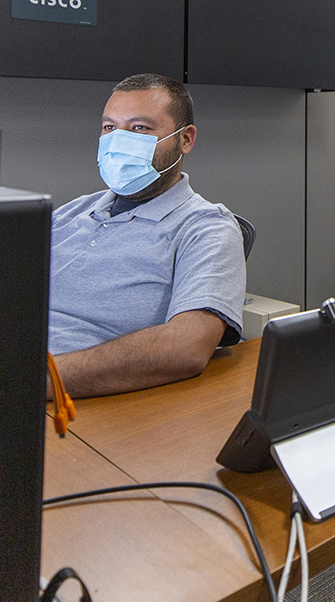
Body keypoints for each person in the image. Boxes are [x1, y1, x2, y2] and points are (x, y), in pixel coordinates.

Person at [49, 73, 245, 398]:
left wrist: (42, 378)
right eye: (110, 128)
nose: (118, 140)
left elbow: (187, 348)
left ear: (186, 139)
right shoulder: (71, 212)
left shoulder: (205, 227)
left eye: (139, 128)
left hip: (77, 402)